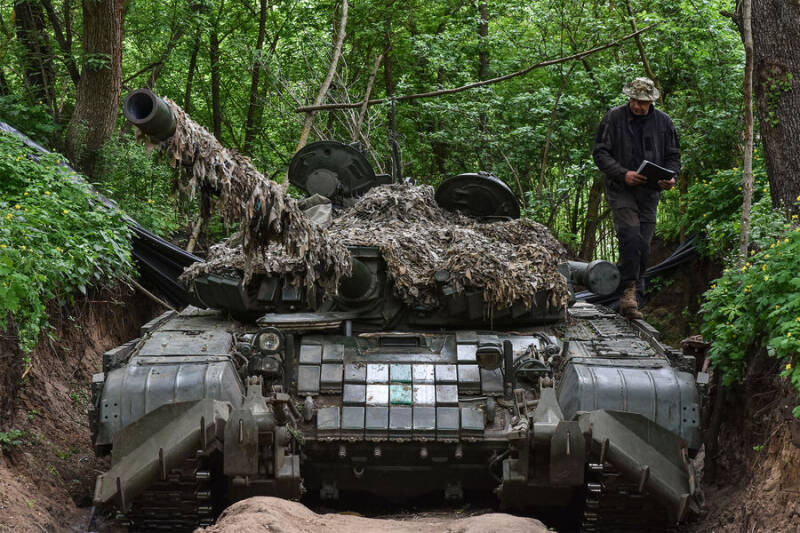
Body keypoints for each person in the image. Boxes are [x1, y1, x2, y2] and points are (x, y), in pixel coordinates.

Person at [592, 77, 680, 319]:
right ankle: (629, 292)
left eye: (642, 102)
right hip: (621, 188)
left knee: (643, 242)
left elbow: (673, 156)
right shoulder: (614, 118)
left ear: (651, 101)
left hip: (650, 192)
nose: (636, 105)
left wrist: (671, 178)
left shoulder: (663, 122)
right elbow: (600, 153)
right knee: (630, 235)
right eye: (633, 100)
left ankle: (633, 291)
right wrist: (623, 174)